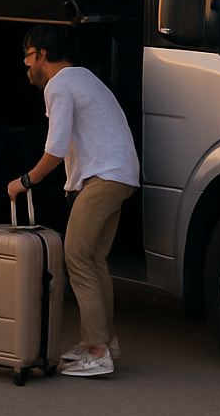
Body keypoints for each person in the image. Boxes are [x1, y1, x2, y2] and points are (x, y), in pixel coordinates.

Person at [7, 24, 139, 378]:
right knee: (94, 259)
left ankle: (97, 352)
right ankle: (101, 342)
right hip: (121, 174)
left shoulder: (59, 85)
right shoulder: (84, 78)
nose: (25, 65)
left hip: (104, 176)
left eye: (27, 56)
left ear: (41, 55)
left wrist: (25, 181)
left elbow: (56, 146)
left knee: (76, 255)